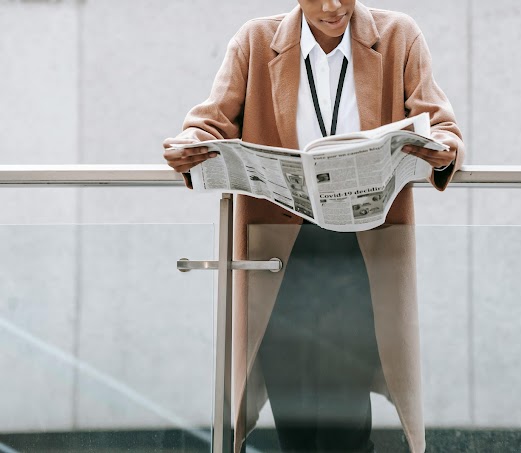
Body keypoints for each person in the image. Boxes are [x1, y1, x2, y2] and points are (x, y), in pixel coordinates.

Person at [163, 1, 464, 452]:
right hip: (277, 257)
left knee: (347, 412)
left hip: (362, 254)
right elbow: (209, 123)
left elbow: (441, 124)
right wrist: (190, 143)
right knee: (293, 410)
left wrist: (443, 148)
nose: (332, 6)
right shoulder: (255, 41)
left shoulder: (399, 35)